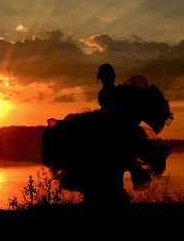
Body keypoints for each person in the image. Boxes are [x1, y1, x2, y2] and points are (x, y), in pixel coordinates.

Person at [41, 63, 173, 206]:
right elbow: (130, 103)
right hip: (113, 131)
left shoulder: (113, 92)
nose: (106, 79)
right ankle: (108, 195)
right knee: (117, 166)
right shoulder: (119, 91)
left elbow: (130, 104)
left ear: (103, 78)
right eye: (106, 77)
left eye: (105, 76)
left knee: (116, 167)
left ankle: (106, 195)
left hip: (111, 130)